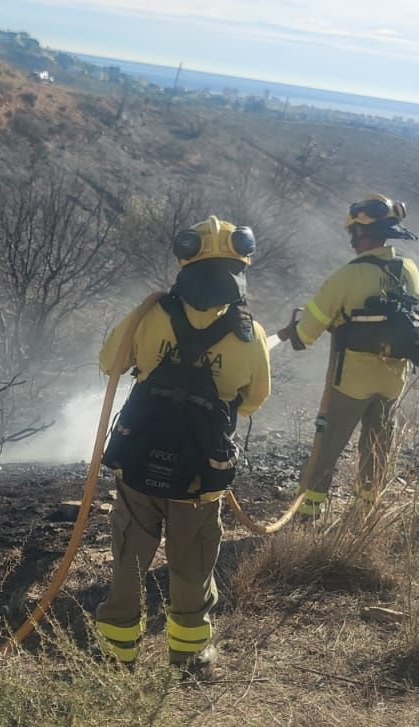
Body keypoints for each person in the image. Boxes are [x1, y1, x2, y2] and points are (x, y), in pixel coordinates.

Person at [94, 216, 272, 674]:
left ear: (186, 259)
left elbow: (108, 362)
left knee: (130, 555)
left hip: (138, 464)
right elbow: (253, 402)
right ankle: (191, 656)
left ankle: (117, 657)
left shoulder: (150, 314)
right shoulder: (249, 334)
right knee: (192, 565)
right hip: (201, 476)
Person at [275, 195, 419, 521]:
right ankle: (362, 516)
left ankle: (306, 517)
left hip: (350, 381)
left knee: (326, 448)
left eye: (354, 233)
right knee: (376, 450)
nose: (352, 240)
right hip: (393, 380)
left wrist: (294, 330)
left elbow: (304, 336)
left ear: (362, 234)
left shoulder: (348, 275)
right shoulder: (410, 270)